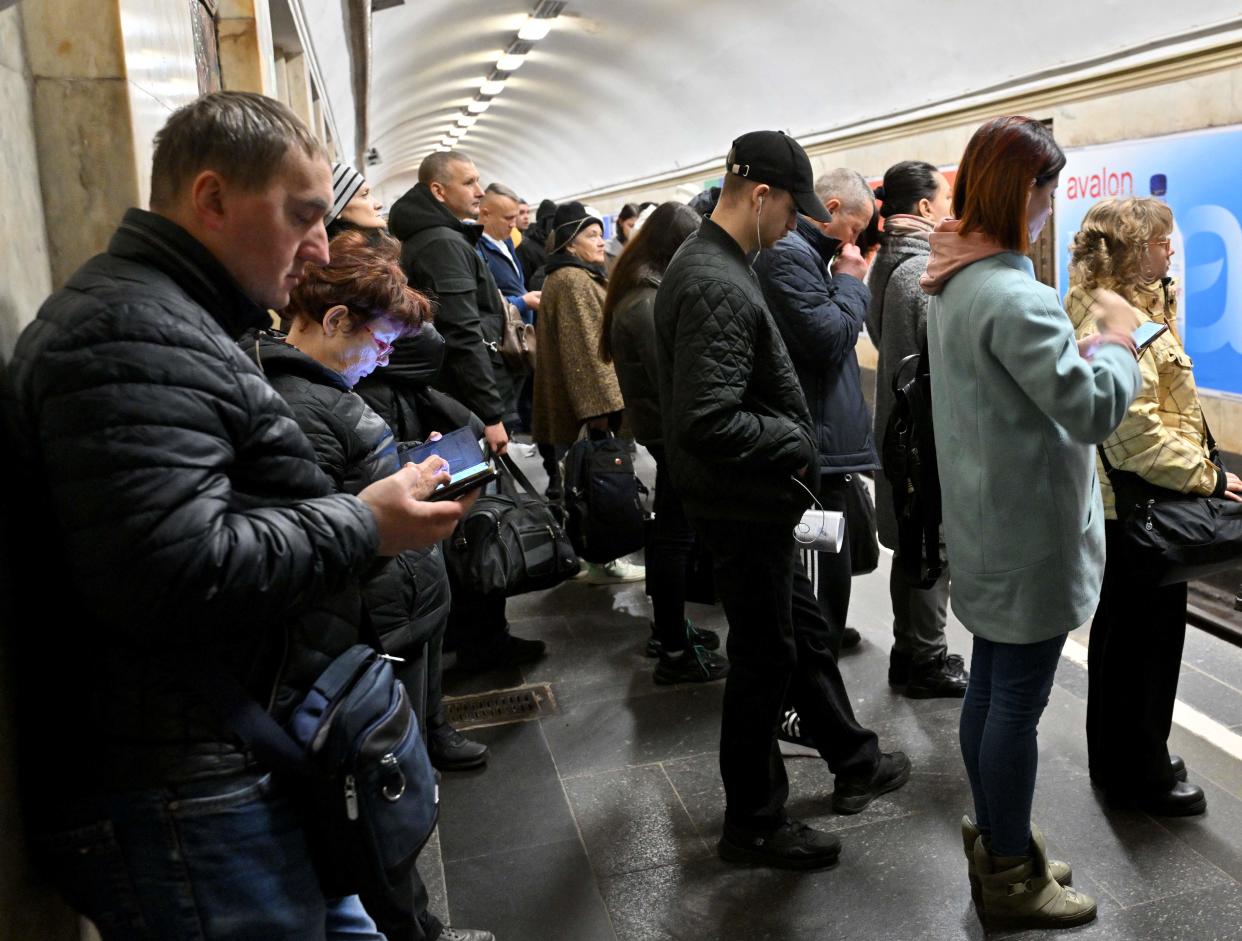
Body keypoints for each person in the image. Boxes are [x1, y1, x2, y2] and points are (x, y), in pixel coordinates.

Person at [3, 91, 466, 939]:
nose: (321, 247)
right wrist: (364, 524)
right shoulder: (127, 331)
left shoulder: (174, 321)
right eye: (303, 216)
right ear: (211, 199)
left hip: (223, 758)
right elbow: (173, 566)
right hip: (185, 787)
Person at [654, 130, 910, 872]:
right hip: (742, 502)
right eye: (789, 208)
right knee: (764, 659)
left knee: (794, 629)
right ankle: (755, 821)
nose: (793, 224)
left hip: (746, 500)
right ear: (759, 194)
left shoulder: (717, 264)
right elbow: (709, 415)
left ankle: (853, 755)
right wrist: (796, 440)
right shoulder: (714, 278)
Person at [923, 115, 1141, 929]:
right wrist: (1117, 343)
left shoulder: (956, 277)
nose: (1052, 205)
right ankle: (1012, 875)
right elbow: (1088, 410)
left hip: (986, 518)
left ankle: (997, 833)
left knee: (989, 686)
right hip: (1027, 532)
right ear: (1023, 190)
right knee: (1014, 699)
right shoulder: (1010, 290)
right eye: (1048, 189)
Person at [248, 229, 492, 941]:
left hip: (377, 620)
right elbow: (320, 530)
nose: (386, 358)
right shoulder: (301, 404)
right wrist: (397, 513)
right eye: (380, 342)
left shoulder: (314, 389)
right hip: (353, 634)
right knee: (377, 809)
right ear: (332, 322)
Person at [1067, 196, 1242, 815]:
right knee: (1145, 644)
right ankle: (1139, 777)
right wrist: (1210, 478)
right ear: (1133, 248)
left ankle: (1123, 756)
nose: (1172, 251)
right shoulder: (1112, 319)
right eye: (1163, 241)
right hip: (1135, 505)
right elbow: (1131, 433)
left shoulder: (1130, 304)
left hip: (1121, 505)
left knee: (1123, 640)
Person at [751, 167, 882, 755]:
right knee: (811, 594)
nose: (853, 241)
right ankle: (800, 709)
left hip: (825, 447)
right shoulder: (788, 258)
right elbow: (828, 339)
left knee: (824, 585)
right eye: (853, 226)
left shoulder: (805, 257)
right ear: (831, 207)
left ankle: (810, 699)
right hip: (811, 451)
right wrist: (853, 281)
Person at [601, 201, 728, 682]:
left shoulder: (636, 291)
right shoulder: (649, 302)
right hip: (673, 433)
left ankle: (668, 631)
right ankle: (675, 648)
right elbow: (674, 376)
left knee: (672, 534)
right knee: (675, 538)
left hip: (661, 429)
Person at [865, 160, 968, 699]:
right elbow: (932, 357)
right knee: (932, 545)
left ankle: (908, 652)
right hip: (921, 433)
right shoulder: (919, 272)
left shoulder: (886, 264)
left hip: (900, 428)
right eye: (946, 200)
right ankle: (928, 658)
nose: (953, 210)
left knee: (911, 545)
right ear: (925, 207)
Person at [534, 201, 644, 585]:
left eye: (601, 234)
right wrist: (600, 410)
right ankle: (603, 556)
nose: (601, 242)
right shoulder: (574, 281)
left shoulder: (570, 276)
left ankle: (595, 554)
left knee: (584, 483)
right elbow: (584, 350)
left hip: (582, 402)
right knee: (599, 485)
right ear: (569, 244)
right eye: (591, 236)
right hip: (590, 406)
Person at [387, 150, 515, 455]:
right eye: (469, 182)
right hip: (461, 398)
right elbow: (462, 332)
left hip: (454, 391)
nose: (480, 192)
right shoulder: (443, 243)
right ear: (438, 191)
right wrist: (492, 413)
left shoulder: (438, 236)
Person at [477, 182, 541, 325]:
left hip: (520, 329)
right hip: (501, 335)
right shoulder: (475, 247)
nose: (513, 224)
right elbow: (482, 301)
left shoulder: (506, 241)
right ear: (485, 214)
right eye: (508, 218)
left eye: (514, 217)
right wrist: (523, 302)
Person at [517, 198, 557, 290]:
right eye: (521, 213)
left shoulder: (557, 242)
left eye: (528, 212)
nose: (526, 216)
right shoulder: (524, 246)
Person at [604, 202, 639, 272]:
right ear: (621, 222)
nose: (635, 230)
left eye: (639, 227)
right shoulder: (608, 249)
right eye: (631, 226)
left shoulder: (642, 247)